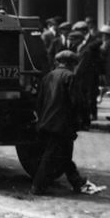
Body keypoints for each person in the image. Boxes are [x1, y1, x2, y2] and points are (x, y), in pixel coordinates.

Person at [30, 49, 105, 197]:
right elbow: (77, 102)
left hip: (47, 122)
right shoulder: (70, 77)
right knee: (51, 156)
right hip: (62, 124)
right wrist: (83, 121)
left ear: (58, 62)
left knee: (63, 155)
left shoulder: (48, 77)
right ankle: (37, 186)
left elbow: (39, 102)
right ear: (71, 64)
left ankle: (78, 182)